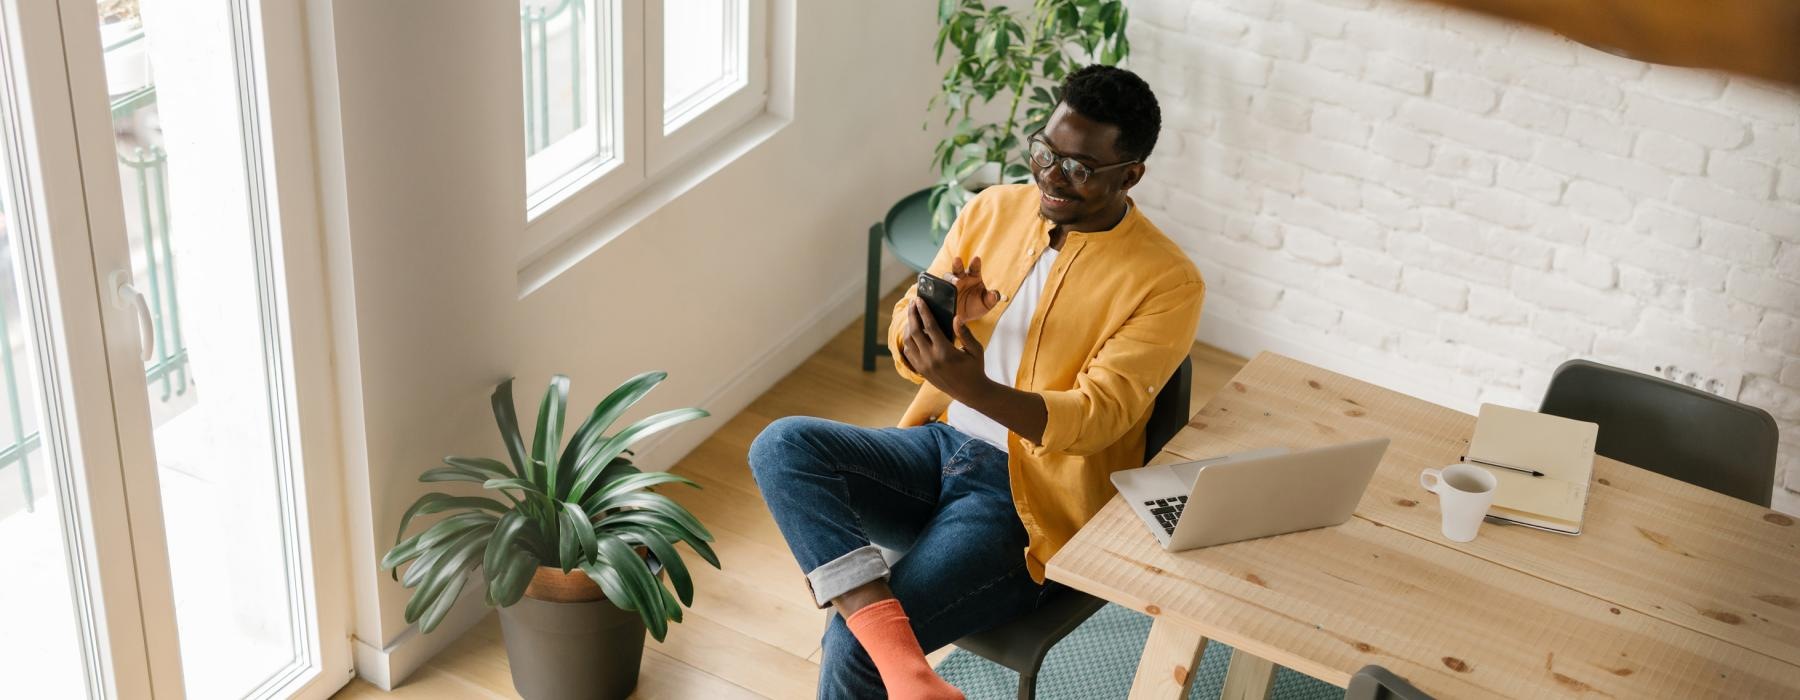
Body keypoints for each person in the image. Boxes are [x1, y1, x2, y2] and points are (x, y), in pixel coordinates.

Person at [749, 64, 1204, 699]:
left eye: (1079, 168)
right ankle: (907, 667)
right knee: (782, 444)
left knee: (854, 649)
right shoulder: (993, 209)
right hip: (937, 448)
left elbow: (1099, 417)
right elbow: (905, 348)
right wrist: (937, 328)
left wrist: (975, 386)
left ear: (1130, 175)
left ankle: (893, 660)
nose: (1051, 176)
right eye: (1046, 152)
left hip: (1026, 507)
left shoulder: (1167, 281)